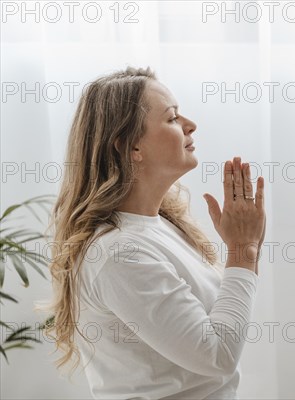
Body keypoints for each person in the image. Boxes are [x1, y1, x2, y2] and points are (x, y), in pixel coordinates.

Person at [42, 67, 266, 399]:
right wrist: (242, 249)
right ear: (131, 148)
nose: (190, 125)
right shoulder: (119, 253)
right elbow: (217, 356)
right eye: (173, 118)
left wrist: (246, 249)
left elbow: (220, 324)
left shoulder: (159, 226)